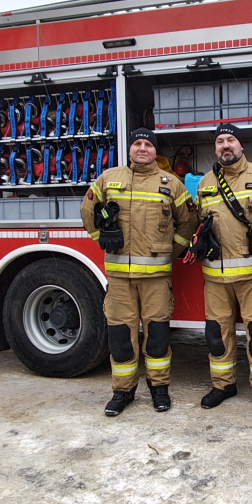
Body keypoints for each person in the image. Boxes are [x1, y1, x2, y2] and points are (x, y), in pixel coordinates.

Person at [80, 128, 196, 416]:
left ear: (155, 151)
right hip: (120, 279)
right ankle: (123, 391)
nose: (142, 148)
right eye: (137, 144)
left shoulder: (171, 183)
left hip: (156, 279)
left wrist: (170, 251)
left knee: (157, 336)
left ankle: (159, 388)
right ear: (130, 149)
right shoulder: (109, 178)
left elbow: (188, 222)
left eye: (148, 144)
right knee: (120, 338)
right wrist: (101, 239)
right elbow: (87, 210)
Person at [189, 123, 252, 412]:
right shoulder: (205, 183)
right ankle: (223, 385)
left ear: (241, 145)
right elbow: (199, 223)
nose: (225, 145)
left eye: (231, 140)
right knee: (217, 335)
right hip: (215, 278)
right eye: (220, 141)